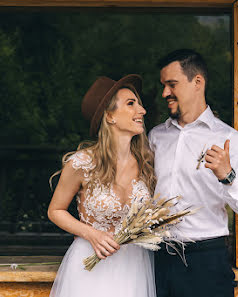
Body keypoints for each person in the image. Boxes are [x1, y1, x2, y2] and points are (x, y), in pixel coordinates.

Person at [149, 49, 238, 297]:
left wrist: (227, 175)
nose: (165, 93)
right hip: (159, 259)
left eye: (172, 84)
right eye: (163, 85)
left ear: (197, 82)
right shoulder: (156, 137)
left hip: (206, 261)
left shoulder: (228, 138)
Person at [48, 74, 157, 297]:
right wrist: (91, 234)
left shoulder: (147, 163)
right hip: (91, 266)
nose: (142, 111)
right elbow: (55, 211)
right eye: (131, 104)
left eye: (139, 103)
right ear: (110, 116)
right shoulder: (81, 163)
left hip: (134, 267)